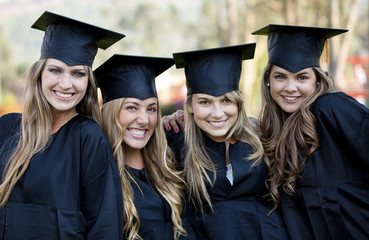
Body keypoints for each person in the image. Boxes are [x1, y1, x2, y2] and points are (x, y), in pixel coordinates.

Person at [0, 11, 125, 239]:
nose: (66, 84)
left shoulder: (87, 137)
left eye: (77, 74)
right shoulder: (7, 128)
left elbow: (104, 226)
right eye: (55, 70)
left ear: (88, 82)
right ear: (39, 74)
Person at [252, 24, 369, 239]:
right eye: (280, 77)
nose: (290, 87)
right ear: (268, 80)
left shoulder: (331, 109)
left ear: (317, 80)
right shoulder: (269, 133)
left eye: (302, 77)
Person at [164, 44, 289, 240]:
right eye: (204, 102)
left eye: (226, 101)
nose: (217, 113)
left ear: (238, 101)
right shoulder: (177, 145)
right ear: (189, 105)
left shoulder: (262, 137)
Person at [95, 54, 199, 240]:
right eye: (132, 108)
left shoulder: (171, 160)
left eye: (151, 109)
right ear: (111, 113)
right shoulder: (99, 177)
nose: (144, 120)